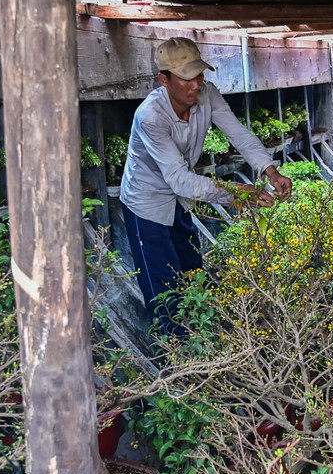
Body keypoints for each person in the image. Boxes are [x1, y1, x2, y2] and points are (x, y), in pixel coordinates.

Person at [120, 36, 293, 332]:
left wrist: (269, 170)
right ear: (164, 79)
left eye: (199, 75)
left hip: (180, 202)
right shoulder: (150, 117)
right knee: (164, 293)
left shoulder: (207, 95)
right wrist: (237, 193)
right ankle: (174, 364)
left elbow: (238, 134)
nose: (196, 85)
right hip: (146, 206)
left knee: (192, 274)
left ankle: (202, 348)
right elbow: (179, 179)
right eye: (186, 79)